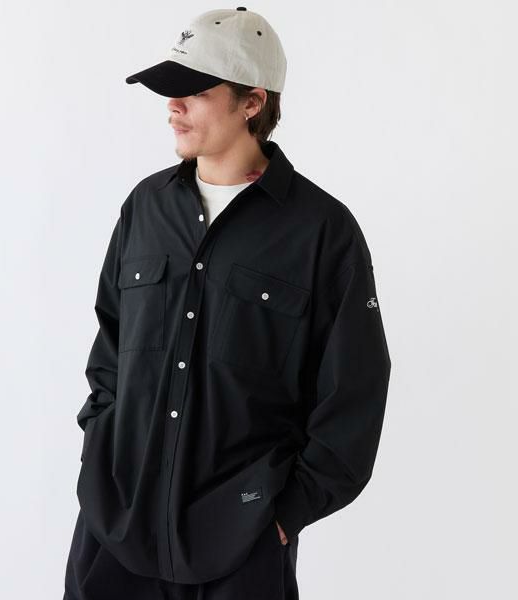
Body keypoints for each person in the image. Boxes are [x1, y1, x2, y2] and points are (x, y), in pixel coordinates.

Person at [64, 7, 391, 600]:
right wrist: (99, 450)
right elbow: (109, 349)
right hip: (115, 532)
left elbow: (355, 393)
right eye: (170, 91)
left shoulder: (322, 232)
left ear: (252, 102)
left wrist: (285, 514)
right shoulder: (146, 208)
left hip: (241, 545)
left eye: (194, 91)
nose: (173, 106)